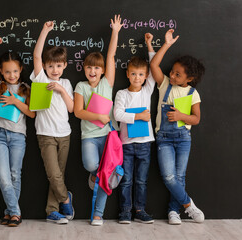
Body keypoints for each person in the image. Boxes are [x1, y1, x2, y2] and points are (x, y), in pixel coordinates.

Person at [0, 37, 35, 227]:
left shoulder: (26, 88)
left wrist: (15, 101)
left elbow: (32, 114)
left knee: (14, 175)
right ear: (1, 71)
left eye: (16, 71)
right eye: (8, 71)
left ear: (21, 71)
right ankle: (16, 212)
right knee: (3, 176)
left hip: (18, 137)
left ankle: (10, 213)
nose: (12, 75)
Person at [150, 29, 205, 225]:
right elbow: (154, 64)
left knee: (180, 176)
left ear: (188, 79)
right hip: (163, 138)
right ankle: (188, 205)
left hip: (183, 139)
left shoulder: (192, 93)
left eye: (177, 74)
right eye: (172, 71)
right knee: (169, 176)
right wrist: (166, 44)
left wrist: (181, 116)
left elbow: (196, 119)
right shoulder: (165, 84)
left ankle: (174, 211)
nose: (172, 75)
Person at [74, 15, 122, 226]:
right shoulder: (80, 87)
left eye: (96, 68)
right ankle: (96, 175)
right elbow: (78, 112)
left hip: (108, 136)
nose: (92, 71)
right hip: (90, 137)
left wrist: (116, 31)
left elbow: (111, 55)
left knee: (105, 172)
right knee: (92, 165)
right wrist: (99, 116)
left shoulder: (107, 84)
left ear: (102, 71)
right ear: (84, 69)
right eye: (88, 68)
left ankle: (98, 215)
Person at [31, 21, 74, 224]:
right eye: (51, 66)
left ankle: (51, 211)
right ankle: (65, 199)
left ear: (65, 65)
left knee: (59, 174)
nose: (54, 70)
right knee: (54, 174)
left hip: (65, 134)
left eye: (58, 65)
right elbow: (37, 56)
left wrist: (62, 90)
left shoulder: (66, 83)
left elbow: (72, 108)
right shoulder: (40, 79)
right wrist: (45, 30)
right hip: (46, 134)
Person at [114, 33, 156, 224]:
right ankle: (125, 211)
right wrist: (139, 116)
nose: (137, 77)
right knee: (127, 180)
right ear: (127, 73)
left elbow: (154, 67)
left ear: (145, 76)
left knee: (141, 181)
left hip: (145, 144)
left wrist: (149, 44)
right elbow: (117, 115)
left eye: (140, 74)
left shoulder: (147, 90)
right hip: (127, 145)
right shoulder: (122, 94)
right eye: (133, 73)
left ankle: (139, 210)